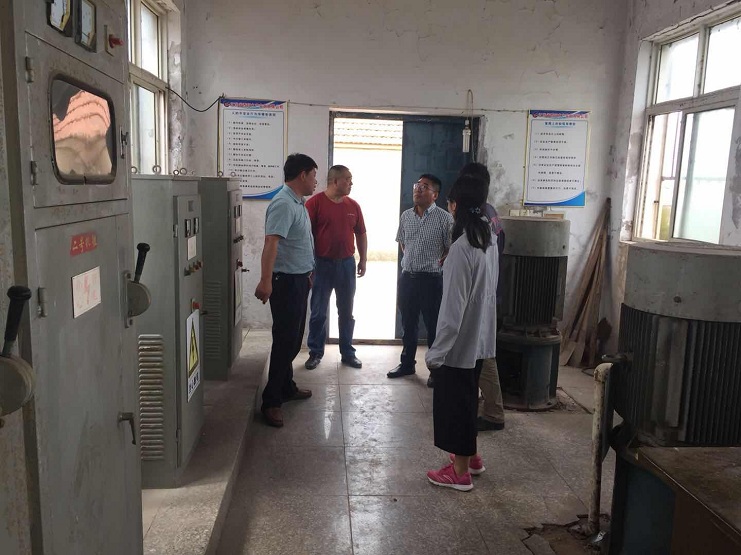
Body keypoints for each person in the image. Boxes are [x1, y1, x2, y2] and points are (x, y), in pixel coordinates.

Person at [425, 174, 498, 491]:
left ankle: (459, 473)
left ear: (454, 206)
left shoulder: (461, 248)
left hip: (458, 346)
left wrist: (436, 352)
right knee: (468, 400)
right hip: (479, 339)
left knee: (455, 406)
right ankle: (471, 457)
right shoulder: (488, 239)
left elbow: (451, 312)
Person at [254, 153, 318, 428]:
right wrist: (265, 281)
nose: (316, 182)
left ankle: (287, 386)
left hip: (299, 279)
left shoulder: (297, 202)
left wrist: (307, 273)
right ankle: (271, 402)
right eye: (314, 176)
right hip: (286, 282)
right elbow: (271, 243)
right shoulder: (283, 203)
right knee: (285, 342)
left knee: (293, 338)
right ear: (302, 175)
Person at [387, 174, 453, 388]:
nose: (418, 189)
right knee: (408, 324)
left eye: (425, 187)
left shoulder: (445, 219)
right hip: (408, 278)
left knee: (434, 326)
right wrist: (411, 260)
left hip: (432, 280)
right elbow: (402, 242)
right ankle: (407, 364)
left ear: (435, 195)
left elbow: (450, 247)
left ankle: (435, 370)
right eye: (417, 185)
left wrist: (436, 262)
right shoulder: (406, 215)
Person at [458, 162, 506, 432]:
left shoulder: (479, 216)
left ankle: (494, 412)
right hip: (487, 293)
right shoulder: (490, 213)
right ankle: (485, 406)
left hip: (481, 297)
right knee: (483, 352)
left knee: (483, 355)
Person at [304, 165, 367, 370]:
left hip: (346, 265)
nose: (351, 183)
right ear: (335, 181)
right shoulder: (314, 203)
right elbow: (305, 236)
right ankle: (315, 352)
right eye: (347, 179)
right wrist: (308, 264)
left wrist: (363, 259)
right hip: (321, 264)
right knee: (318, 312)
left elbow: (361, 233)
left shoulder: (353, 206)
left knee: (346, 311)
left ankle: (347, 352)